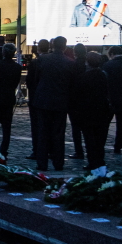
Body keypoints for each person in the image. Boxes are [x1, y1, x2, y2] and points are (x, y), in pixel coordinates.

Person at [29, 37, 79, 171]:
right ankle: (58, 162)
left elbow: (36, 80)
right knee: (58, 133)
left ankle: (42, 163)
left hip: (43, 101)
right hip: (60, 102)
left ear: (52, 45)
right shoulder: (70, 62)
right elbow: (72, 85)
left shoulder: (42, 60)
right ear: (64, 47)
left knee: (42, 132)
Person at [71, 51, 112, 170]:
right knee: (100, 138)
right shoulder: (104, 75)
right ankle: (100, 160)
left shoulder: (83, 77)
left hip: (87, 112)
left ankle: (92, 161)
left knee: (89, 139)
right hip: (102, 111)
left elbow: (77, 95)